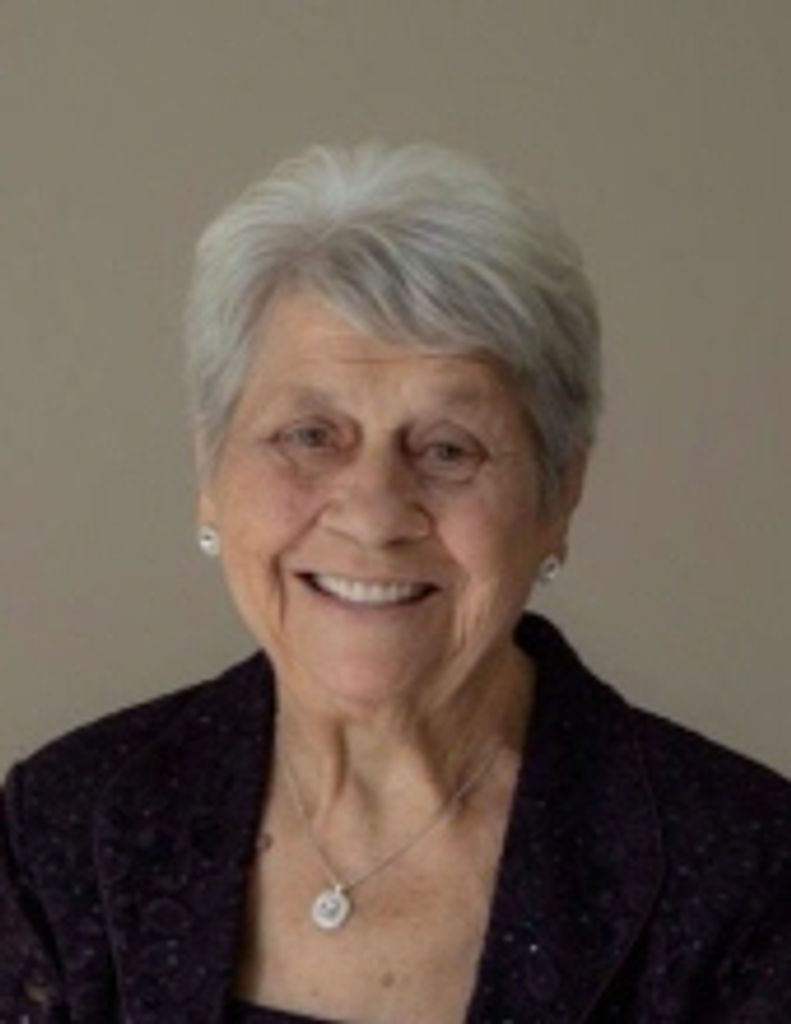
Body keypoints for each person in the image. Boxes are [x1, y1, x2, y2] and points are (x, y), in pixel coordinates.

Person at [1, 142, 789, 1024]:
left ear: (558, 491)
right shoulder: (60, 829)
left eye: (448, 449)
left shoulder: (748, 875)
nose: (374, 514)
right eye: (310, 436)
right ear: (209, 471)